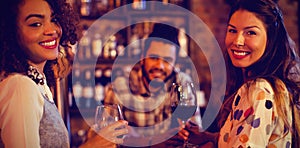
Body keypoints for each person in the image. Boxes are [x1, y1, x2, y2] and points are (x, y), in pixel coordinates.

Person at [0, 0, 128, 147]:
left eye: (54, 20)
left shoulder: (37, 84)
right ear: (11, 33)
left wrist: (90, 141)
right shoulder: (20, 86)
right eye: (36, 24)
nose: (52, 30)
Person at [179, 0, 300, 147]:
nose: (238, 40)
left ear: (271, 39)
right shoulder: (275, 85)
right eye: (232, 30)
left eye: (251, 32)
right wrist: (209, 137)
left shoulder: (258, 89)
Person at [103, 23, 202, 147]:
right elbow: (106, 139)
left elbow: (195, 136)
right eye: (154, 58)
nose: (159, 66)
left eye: (167, 60)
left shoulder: (183, 84)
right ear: (142, 57)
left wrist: (187, 133)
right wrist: (153, 142)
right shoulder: (121, 84)